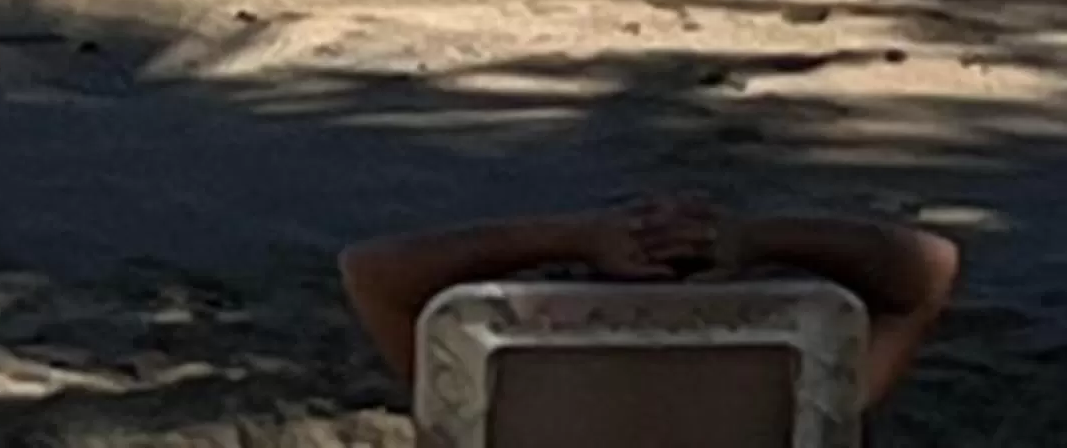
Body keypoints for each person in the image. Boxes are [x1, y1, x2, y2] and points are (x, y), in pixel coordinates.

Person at [339, 196, 959, 418]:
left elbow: (372, 270)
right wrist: (754, 238)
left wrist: (572, 237)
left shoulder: (499, 393)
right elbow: (927, 271)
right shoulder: (796, 400)